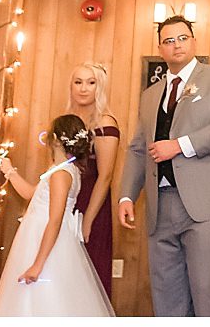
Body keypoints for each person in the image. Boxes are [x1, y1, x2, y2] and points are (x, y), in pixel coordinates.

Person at [115, 14, 210, 317]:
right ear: (160, 49)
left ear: (194, 41)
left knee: (207, 289)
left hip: (205, 204)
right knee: (165, 292)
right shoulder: (150, 95)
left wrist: (179, 146)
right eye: (169, 41)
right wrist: (126, 195)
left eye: (182, 38)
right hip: (160, 204)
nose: (176, 45)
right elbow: (138, 148)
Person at [0, 115, 116, 316]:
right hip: (37, 235)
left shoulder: (61, 174)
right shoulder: (60, 170)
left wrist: (37, 264)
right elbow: (32, 194)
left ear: (56, 139)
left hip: (47, 240)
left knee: (44, 296)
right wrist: (10, 171)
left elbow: (55, 219)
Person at [64, 62, 121, 294]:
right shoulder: (66, 120)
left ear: (100, 87)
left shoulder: (105, 123)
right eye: (78, 82)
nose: (84, 88)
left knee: (89, 269)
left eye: (91, 82)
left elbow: (106, 176)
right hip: (66, 199)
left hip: (92, 202)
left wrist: (88, 220)